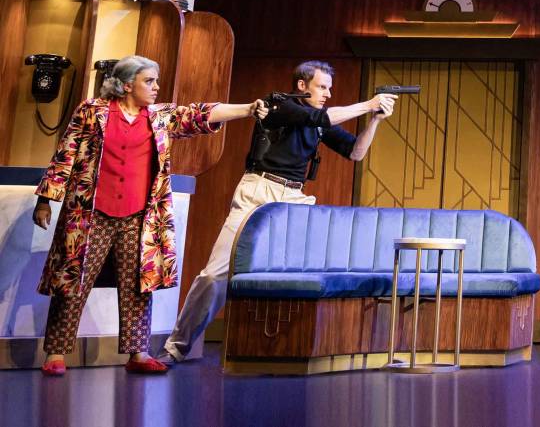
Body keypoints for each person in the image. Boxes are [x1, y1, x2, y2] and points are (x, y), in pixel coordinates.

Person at [31, 55, 267, 376]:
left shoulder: (157, 117)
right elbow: (66, 153)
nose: (156, 87)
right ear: (127, 85)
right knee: (74, 280)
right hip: (91, 212)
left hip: (139, 217)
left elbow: (199, 114)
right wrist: (45, 200)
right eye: (149, 81)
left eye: (156, 81)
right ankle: (56, 354)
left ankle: (138, 353)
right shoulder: (93, 111)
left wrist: (248, 109)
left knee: (138, 286)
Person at [162, 60, 396, 363]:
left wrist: (375, 120)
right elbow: (319, 116)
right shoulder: (280, 104)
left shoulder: (318, 122)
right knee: (215, 274)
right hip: (259, 190)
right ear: (302, 85)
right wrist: (368, 104)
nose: (327, 93)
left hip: (293, 198)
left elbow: (356, 152)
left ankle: (295, 350)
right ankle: (176, 347)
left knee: (305, 272)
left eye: (329, 88)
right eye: (322, 87)